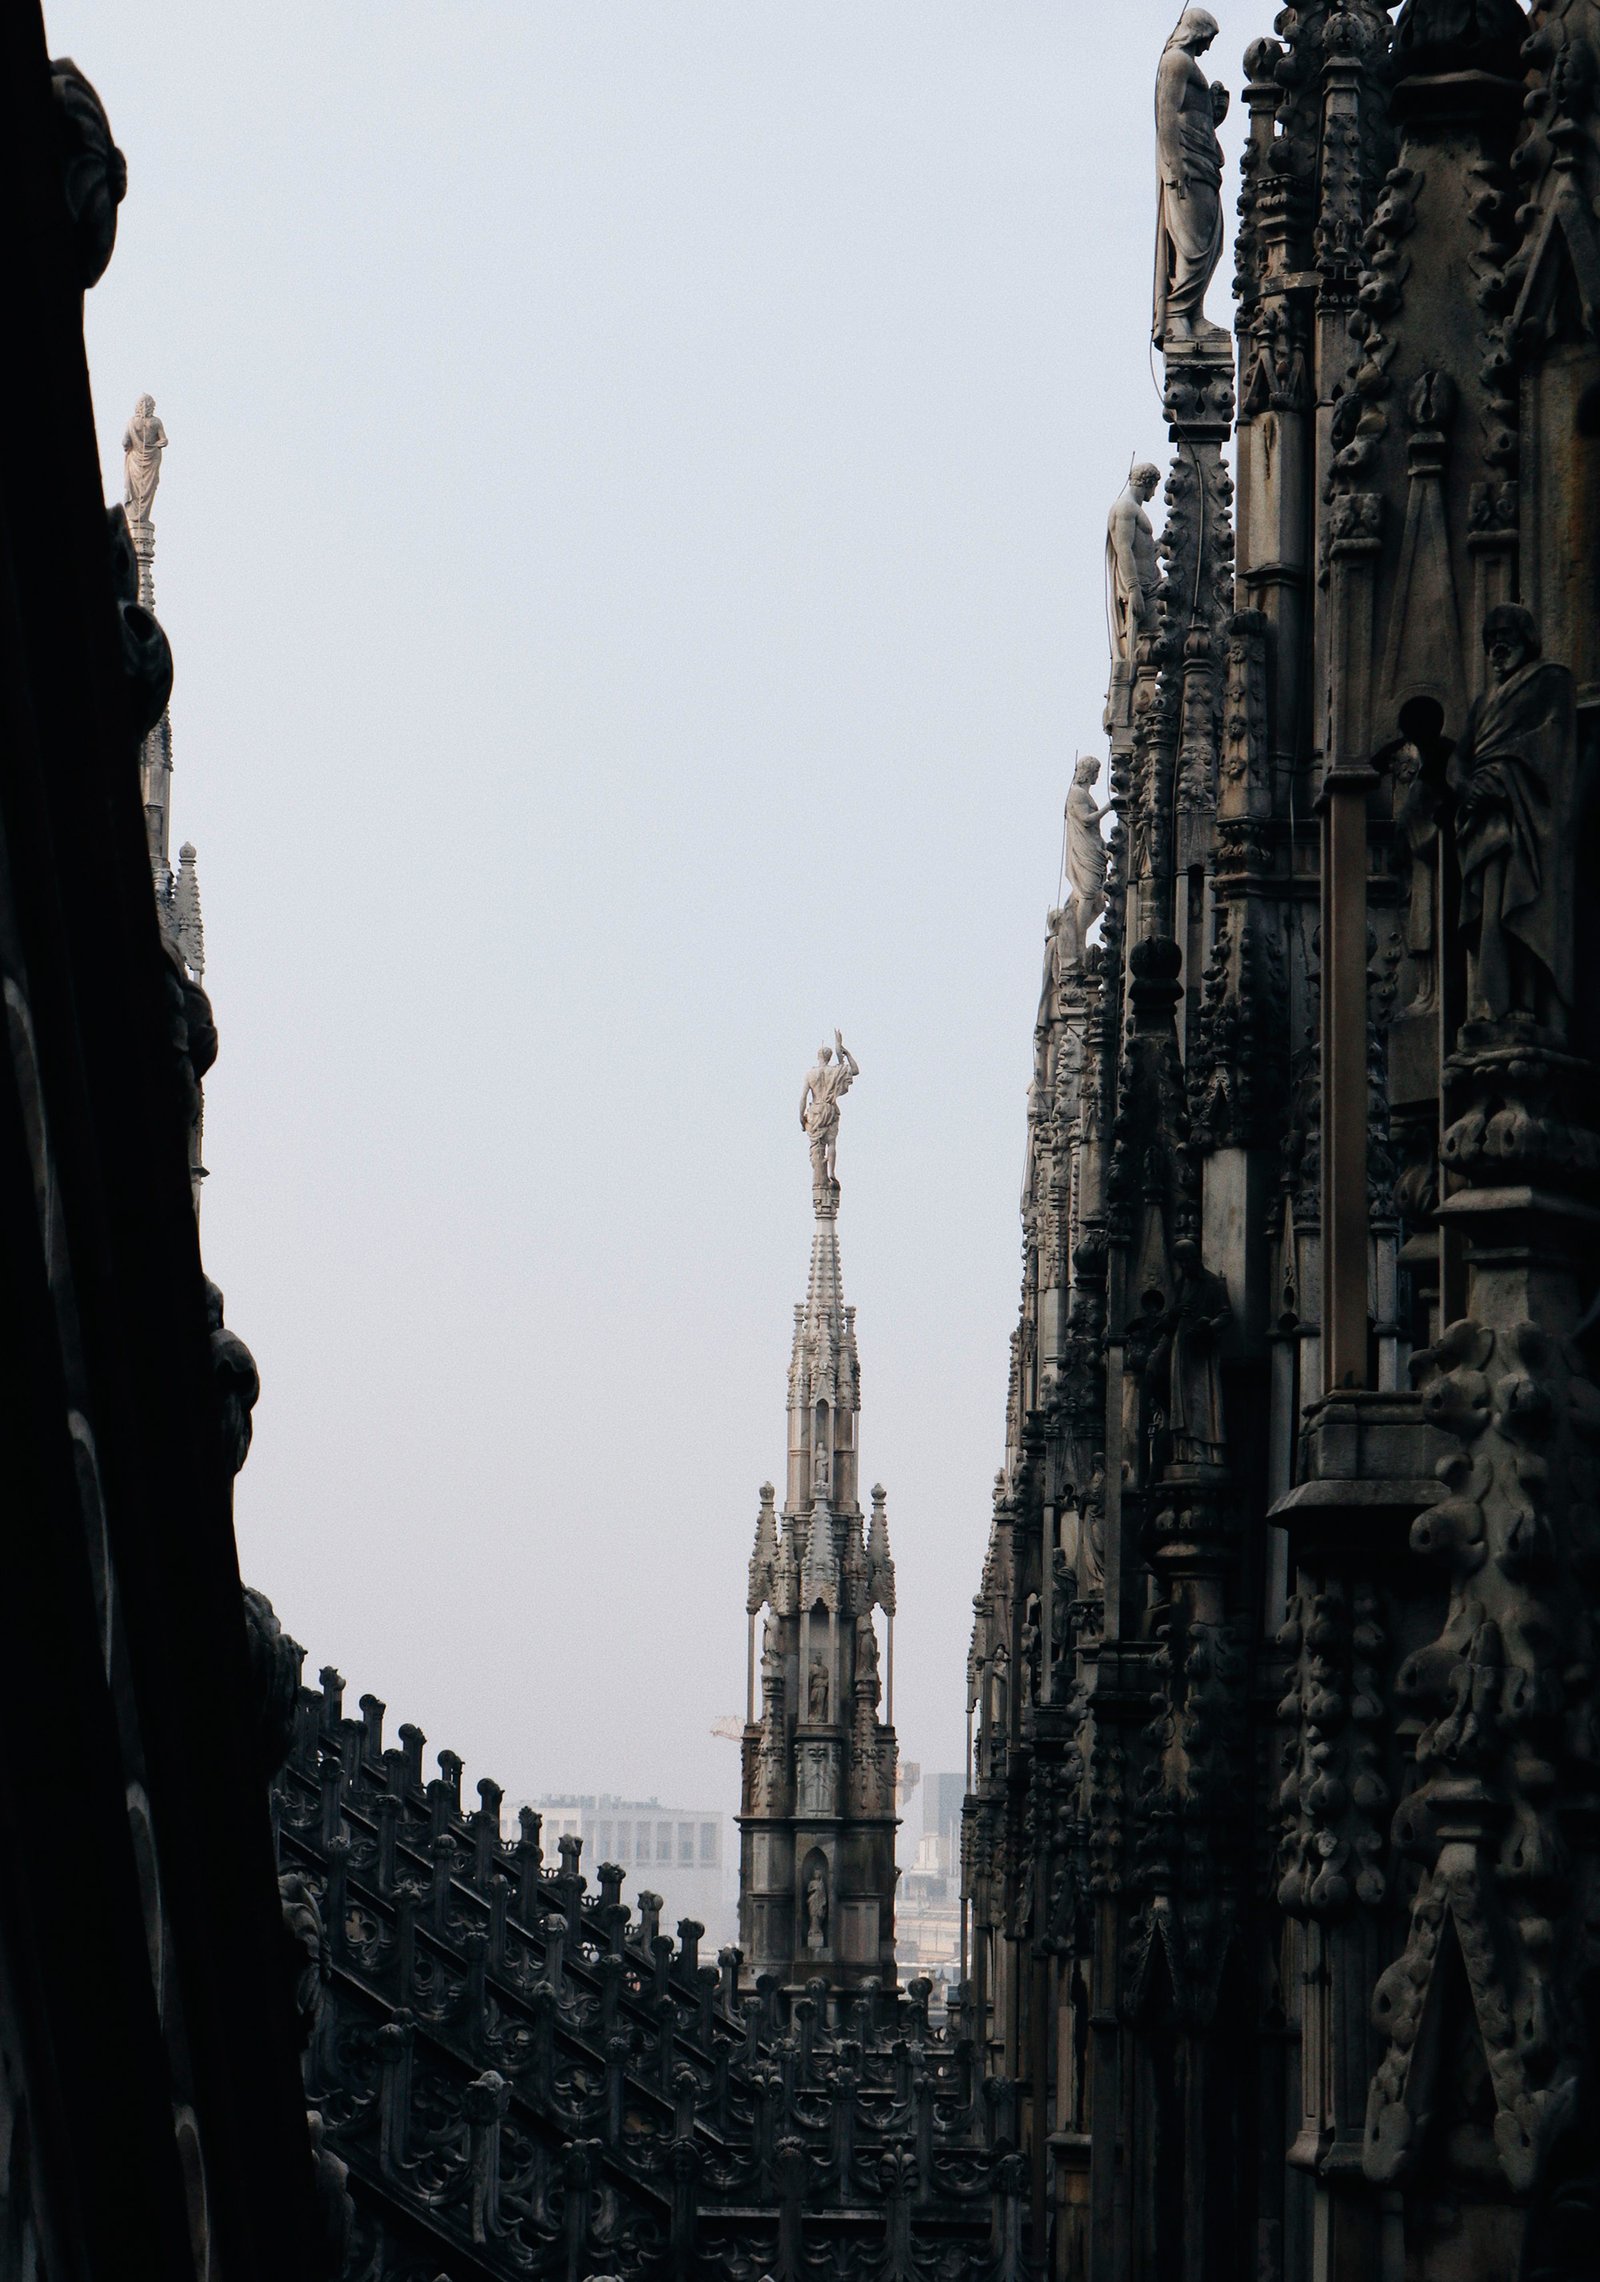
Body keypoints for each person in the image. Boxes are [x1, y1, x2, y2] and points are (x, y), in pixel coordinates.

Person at [1448, 605, 1576, 1035]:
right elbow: (1458, 759)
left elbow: (1555, 739)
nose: (1496, 647)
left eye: (1505, 635)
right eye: (1490, 640)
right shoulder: (1484, 702)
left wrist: (1503, 777)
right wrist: (1467, 788)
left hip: (1526, 815)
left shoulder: (1551, 680)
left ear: (1527, 637)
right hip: (1484, 820)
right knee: (1490, 912)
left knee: (1522, 904)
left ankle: (1526, 1003)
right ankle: (1492, 1005)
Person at [1153, 10, 1230, 348]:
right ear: (1196, 32)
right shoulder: (1176, 61)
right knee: (1193, 243)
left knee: (1210, 244)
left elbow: (1194, 116)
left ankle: (1193, 314)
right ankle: (1177, 315)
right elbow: (1167, 115)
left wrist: (1215, 110)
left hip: (1203, 161)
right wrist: (1173, 168)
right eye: (1207, 38)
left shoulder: (1188, 63)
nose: (1209, 48)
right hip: (1186, 166)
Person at [1107, 463, 1161, 657]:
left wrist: (1160, 546)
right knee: (1156, 639)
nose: (1154, 494)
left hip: (1151, 586)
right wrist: (1134, 589)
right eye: (1154, 488)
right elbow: (1124, 548)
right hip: (1142, 590)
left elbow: (1141, 550)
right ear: (1148, 483)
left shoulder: (1132, 508)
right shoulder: (1125, 508)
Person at [799, 1030, 859, 1196]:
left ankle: (822, 1175)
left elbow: (803, 1097)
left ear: (819, 1057)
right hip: (830, 1110)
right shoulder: (835, 1071)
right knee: (831, 1143)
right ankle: (830, 1173)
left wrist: (800, 1118)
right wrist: (846, 1053)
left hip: (815, 1111)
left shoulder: (811, 1074)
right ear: (829, 1057)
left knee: (817, 1146)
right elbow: (855, 1070)